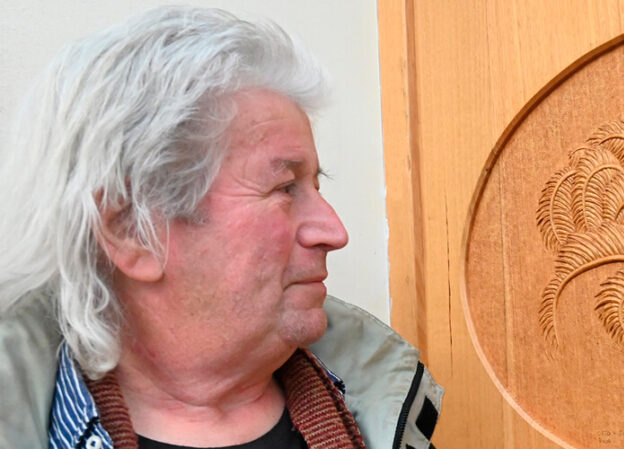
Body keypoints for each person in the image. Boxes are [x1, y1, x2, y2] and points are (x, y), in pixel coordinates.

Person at [0, 6, 441, 449]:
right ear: (132, 230)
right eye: (285, 188)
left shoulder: (384, 415)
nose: (334, 231)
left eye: (315, 185)